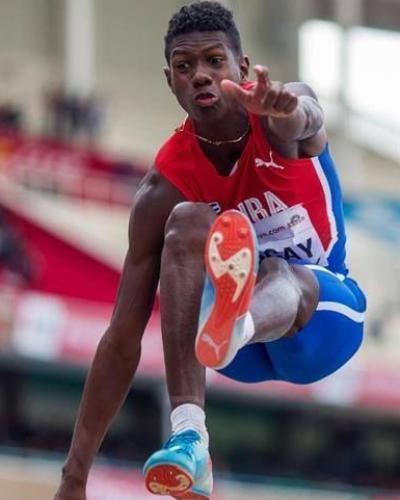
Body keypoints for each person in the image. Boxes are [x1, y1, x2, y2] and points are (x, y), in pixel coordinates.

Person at [54, 2, 366, 499]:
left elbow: (305, 115)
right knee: (187, 222)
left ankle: (235, 319)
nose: (199, 75)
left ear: (241, 68)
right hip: (227, 352)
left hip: (321, 325)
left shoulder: (282, 114)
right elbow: (121, 338)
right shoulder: (163, 184)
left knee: (285, 274)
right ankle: (190, 436)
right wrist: (75, 476)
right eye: (184, 66)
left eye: (214, 61)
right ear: (169, 79)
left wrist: (288, 110)